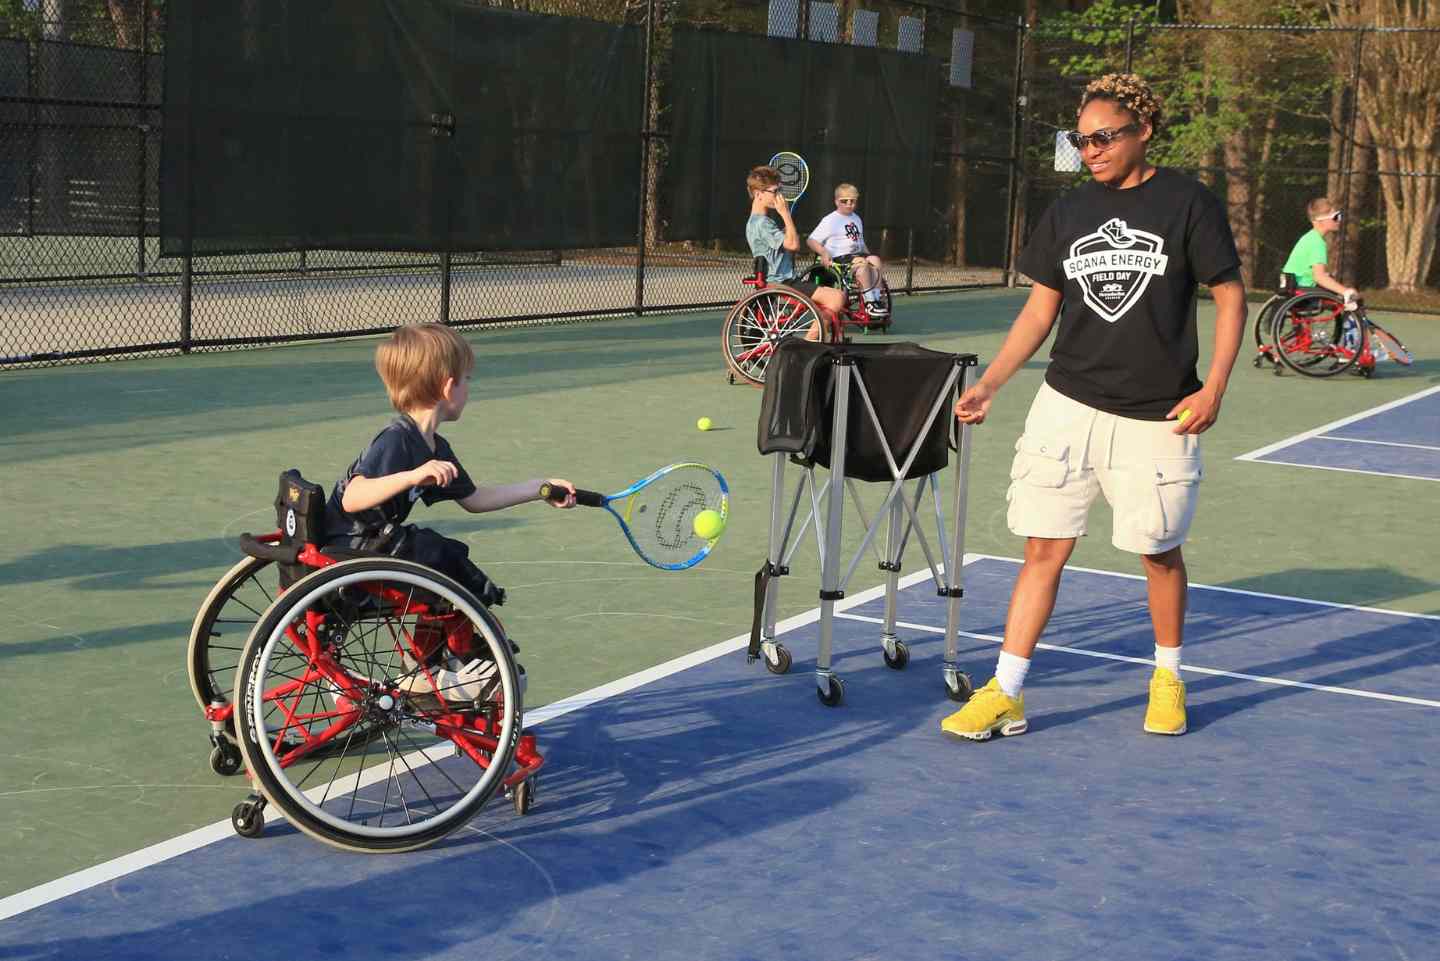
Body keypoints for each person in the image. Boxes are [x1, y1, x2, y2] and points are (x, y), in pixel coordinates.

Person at [941, 73, 1248, 742]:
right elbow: (1039, 309)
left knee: (1158, 552)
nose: (1091, 150)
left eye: (1104, 137)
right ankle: (1008, 691)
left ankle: (1167, 677)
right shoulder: (1069, 211)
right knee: (1041, 549)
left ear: (1143, 130)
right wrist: (992, 381)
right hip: (1067, 405)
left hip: (1158, 416)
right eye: (1080, 141)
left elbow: (1229, 296)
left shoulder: (1189, 204)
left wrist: (1215, 385)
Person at [324, 323, 576, 615]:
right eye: (466, 379)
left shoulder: (435, 447)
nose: (469, 388)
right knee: (443, 559)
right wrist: (413, 476)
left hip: (377, 542)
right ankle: (457, 652)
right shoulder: (398, 438)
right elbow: (351, 498)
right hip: (350, 544)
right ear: (448, 387)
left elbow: (476, 499)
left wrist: (539, 488)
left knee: (448, 560)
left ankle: (440, 650)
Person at [746, 165, 846, 339]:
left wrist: (786, 229)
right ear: (758, 194)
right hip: (781, 282)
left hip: (779, 280)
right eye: (775, 191)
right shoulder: (762, 223)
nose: (779, 196)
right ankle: (808, 345)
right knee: (837, 297)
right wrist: (785, 214)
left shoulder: (757, 222)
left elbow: (783, 244)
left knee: (830, 294)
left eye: (780, 190)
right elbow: (793, 245)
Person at [806, 182, 888, 315]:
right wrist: (823, 252)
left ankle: (877, 298)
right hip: (840, 260)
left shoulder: (856, 218)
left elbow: (860, 243)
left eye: (852, 201)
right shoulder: (830, 220)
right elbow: (811, 240)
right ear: (836, 202)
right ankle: (869, 302)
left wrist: (869, 256)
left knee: (875, 260)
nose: (849, 204)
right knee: (862, 264)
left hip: (857, 255)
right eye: (844, 201)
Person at [1281, 197, 1355, 302]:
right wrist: (1346, 291)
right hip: (1302, 292)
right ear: (1321, 220)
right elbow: (1319, 277)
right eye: (1336, 217)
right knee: (1352, 297)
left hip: (1292, 288)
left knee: (1333, 283)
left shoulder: (1309, 237)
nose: (1339, 220)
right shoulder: (1317, 243)